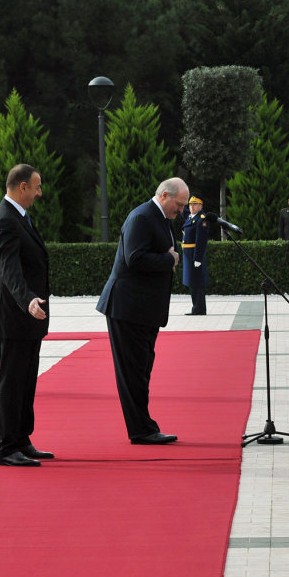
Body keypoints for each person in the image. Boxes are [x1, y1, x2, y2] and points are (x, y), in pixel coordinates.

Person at [97, 177, 189, 446]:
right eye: (179, 204)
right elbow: (134, 258)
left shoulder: (160, 218)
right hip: (127, 308)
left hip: (142, 309)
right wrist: (169, 260)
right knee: (133, 371)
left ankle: (144, 425)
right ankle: (141, 430)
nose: (181, 210)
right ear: (163, 195)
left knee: (141, 369)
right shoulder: (141, 217)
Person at [0, 164, 51, 468]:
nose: (39, 193)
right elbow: (8, 269)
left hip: (29, 317)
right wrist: (27, 300)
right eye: (36, 187)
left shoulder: (19, 216)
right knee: (11, 384)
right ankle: (6, 446)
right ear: (22, 187)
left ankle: (22, 439)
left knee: (26, 382)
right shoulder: (4, 220)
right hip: (14, 316)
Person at [181, 196, 210, 316]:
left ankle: (199, 308)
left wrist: (198, 258)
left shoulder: (201, 219)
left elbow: (201, 241)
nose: (192, 206)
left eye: (195, 204)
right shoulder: (190, 217)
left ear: (200, 206)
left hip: (194, 255)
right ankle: (196, 307)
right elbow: (183, 210)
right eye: (190, 204)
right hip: (188, 255)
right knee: (192, 282)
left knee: (198, 282)